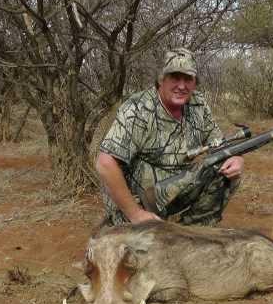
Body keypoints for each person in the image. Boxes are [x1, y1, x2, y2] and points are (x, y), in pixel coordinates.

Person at [95, 47, 244, 226]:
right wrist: (135, 214)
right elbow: (105, 164)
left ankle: (192, 233)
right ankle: (131, 222)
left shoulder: (198, 103)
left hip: (177, 188)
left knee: (225, 172)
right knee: (139, 247)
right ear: (161, 80)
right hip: (138, 200)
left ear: (195, 82)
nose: (181, 86)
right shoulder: (138, 108)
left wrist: (235, 157)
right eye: (175, 77)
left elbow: (218, 141)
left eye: (188, 78)